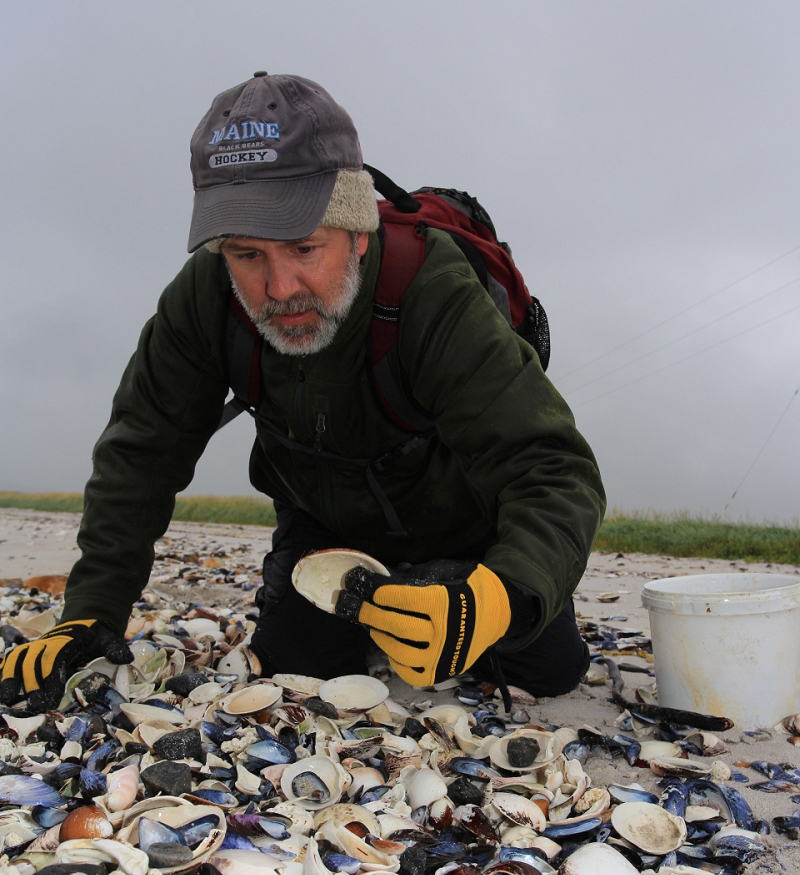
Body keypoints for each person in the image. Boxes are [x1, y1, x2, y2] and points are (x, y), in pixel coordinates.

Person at [0, 73, 605, 714]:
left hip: (469, 532)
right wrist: (89, 614)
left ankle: (450, 599)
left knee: (549, 669)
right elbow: (141, 454)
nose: (280, 287)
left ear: (358, 229)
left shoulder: (432, 291)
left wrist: (499, 596)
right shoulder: (205, 297)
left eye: (304, 246)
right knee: (296, 671)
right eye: (247, 254)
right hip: (325, 533)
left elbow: (555, 470)